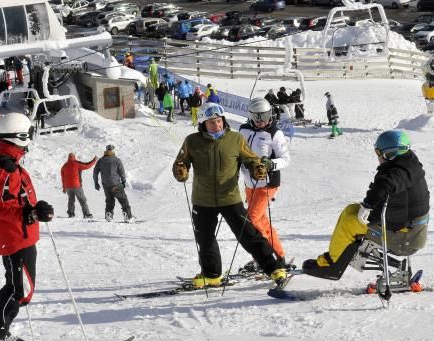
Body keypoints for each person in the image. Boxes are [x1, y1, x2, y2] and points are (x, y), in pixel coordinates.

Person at [172, 102, 288, 289]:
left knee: (248, 235)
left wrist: (257, 169)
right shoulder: (192, 141)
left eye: (219, 121)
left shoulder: (235, 139)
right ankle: (211, 275)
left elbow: (251, 160)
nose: (216, 125)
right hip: (203, 200)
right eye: (211, 123)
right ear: (203, 123)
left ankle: (274, 268)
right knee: (205, 239)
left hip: (230, 198)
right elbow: (181, 162)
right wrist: (181, 171)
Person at [302, 130, 430, 277]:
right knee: (351, 210)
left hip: (403, 239)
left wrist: (368, 205)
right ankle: (333, 255)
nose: (378, 157)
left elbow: (387, 183)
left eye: (378, 153)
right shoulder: (408, 164)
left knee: (350, 223)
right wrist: (366, 207)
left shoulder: (399, 172)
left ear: (389, 154)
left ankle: (332, 265)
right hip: (409, 231)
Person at [0, 113, 54, 341]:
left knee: (19, 288)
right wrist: (31, 214)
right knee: (17, 289)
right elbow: (3, 208)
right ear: (20, 136)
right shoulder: (5, 169)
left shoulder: (9, 163)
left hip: (19, 235)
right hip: (14, 237)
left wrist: (35, 211)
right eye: (29, 134)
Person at [239, 97, 290, 269]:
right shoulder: (243, 130)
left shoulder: (275, 133)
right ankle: (279, 257)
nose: (263, 120)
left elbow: (286, 159)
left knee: (251, 220)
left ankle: (265, 257)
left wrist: (271, 164)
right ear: (251, 116)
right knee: (261, 222)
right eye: (259, 116)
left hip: (267, 183)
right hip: (248, 182)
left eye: (266, 115)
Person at [93, 145, 133, 222]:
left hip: (106, 185)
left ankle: (109, 214)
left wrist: (96, 182)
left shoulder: (101, 160)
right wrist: (124, 181)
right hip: (116, 184)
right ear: (113, 150)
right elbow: (122, 172)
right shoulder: (117, 160)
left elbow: (95, 172)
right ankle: (128, 216)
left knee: (109, 200)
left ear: (106, 150)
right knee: (123, 199)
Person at [60, 152, 97, 219]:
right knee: (82, 200)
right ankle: (86, 214)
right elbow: (87, 166)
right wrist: (94, 161)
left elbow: (63, 178)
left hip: (68, 187)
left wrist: (64, 187)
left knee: (71, 200)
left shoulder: (64, 166)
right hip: (76, 186)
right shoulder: (76, 163)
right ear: (74, 157)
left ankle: (71, 214)